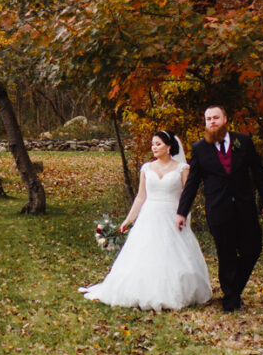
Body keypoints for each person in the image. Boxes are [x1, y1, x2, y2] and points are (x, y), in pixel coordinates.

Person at [80, 130, 212, 311]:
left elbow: (187, 195)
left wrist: (183, 215)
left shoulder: (182, 169)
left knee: (173, 255)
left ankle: (177, 290)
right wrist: (128, 220)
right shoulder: (146, 168)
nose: (154, 147)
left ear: (169, 147)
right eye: (152, 144)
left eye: (158, 144)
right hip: (149, 216)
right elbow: (141, 197)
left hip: (172, 216)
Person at [176, 104, 263, 313]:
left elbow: (259, 173)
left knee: (253, 249)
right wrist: (181, 211)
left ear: (225, 119)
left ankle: (234, 289)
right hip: (218, 210)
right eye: (208, 119)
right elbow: (193, 183)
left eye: (215, 118)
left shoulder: (244, 142)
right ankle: (230, 299)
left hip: (244, 207)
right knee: (226, 254)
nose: (212, 122)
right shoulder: (199, 149)